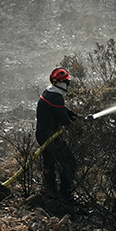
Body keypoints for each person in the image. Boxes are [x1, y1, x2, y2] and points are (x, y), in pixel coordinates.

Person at [35, 67, 87, 202]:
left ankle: (50, 191)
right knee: (69, 162)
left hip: (43, 134)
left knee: (49, 163)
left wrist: (76, 116)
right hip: (49, 137)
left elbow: (63, 111)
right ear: (61, 83)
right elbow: (65, 120)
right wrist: (77, 123)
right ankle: (65, 193)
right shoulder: (56, 98)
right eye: (67, 82)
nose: (68, 84)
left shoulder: (49, 92)